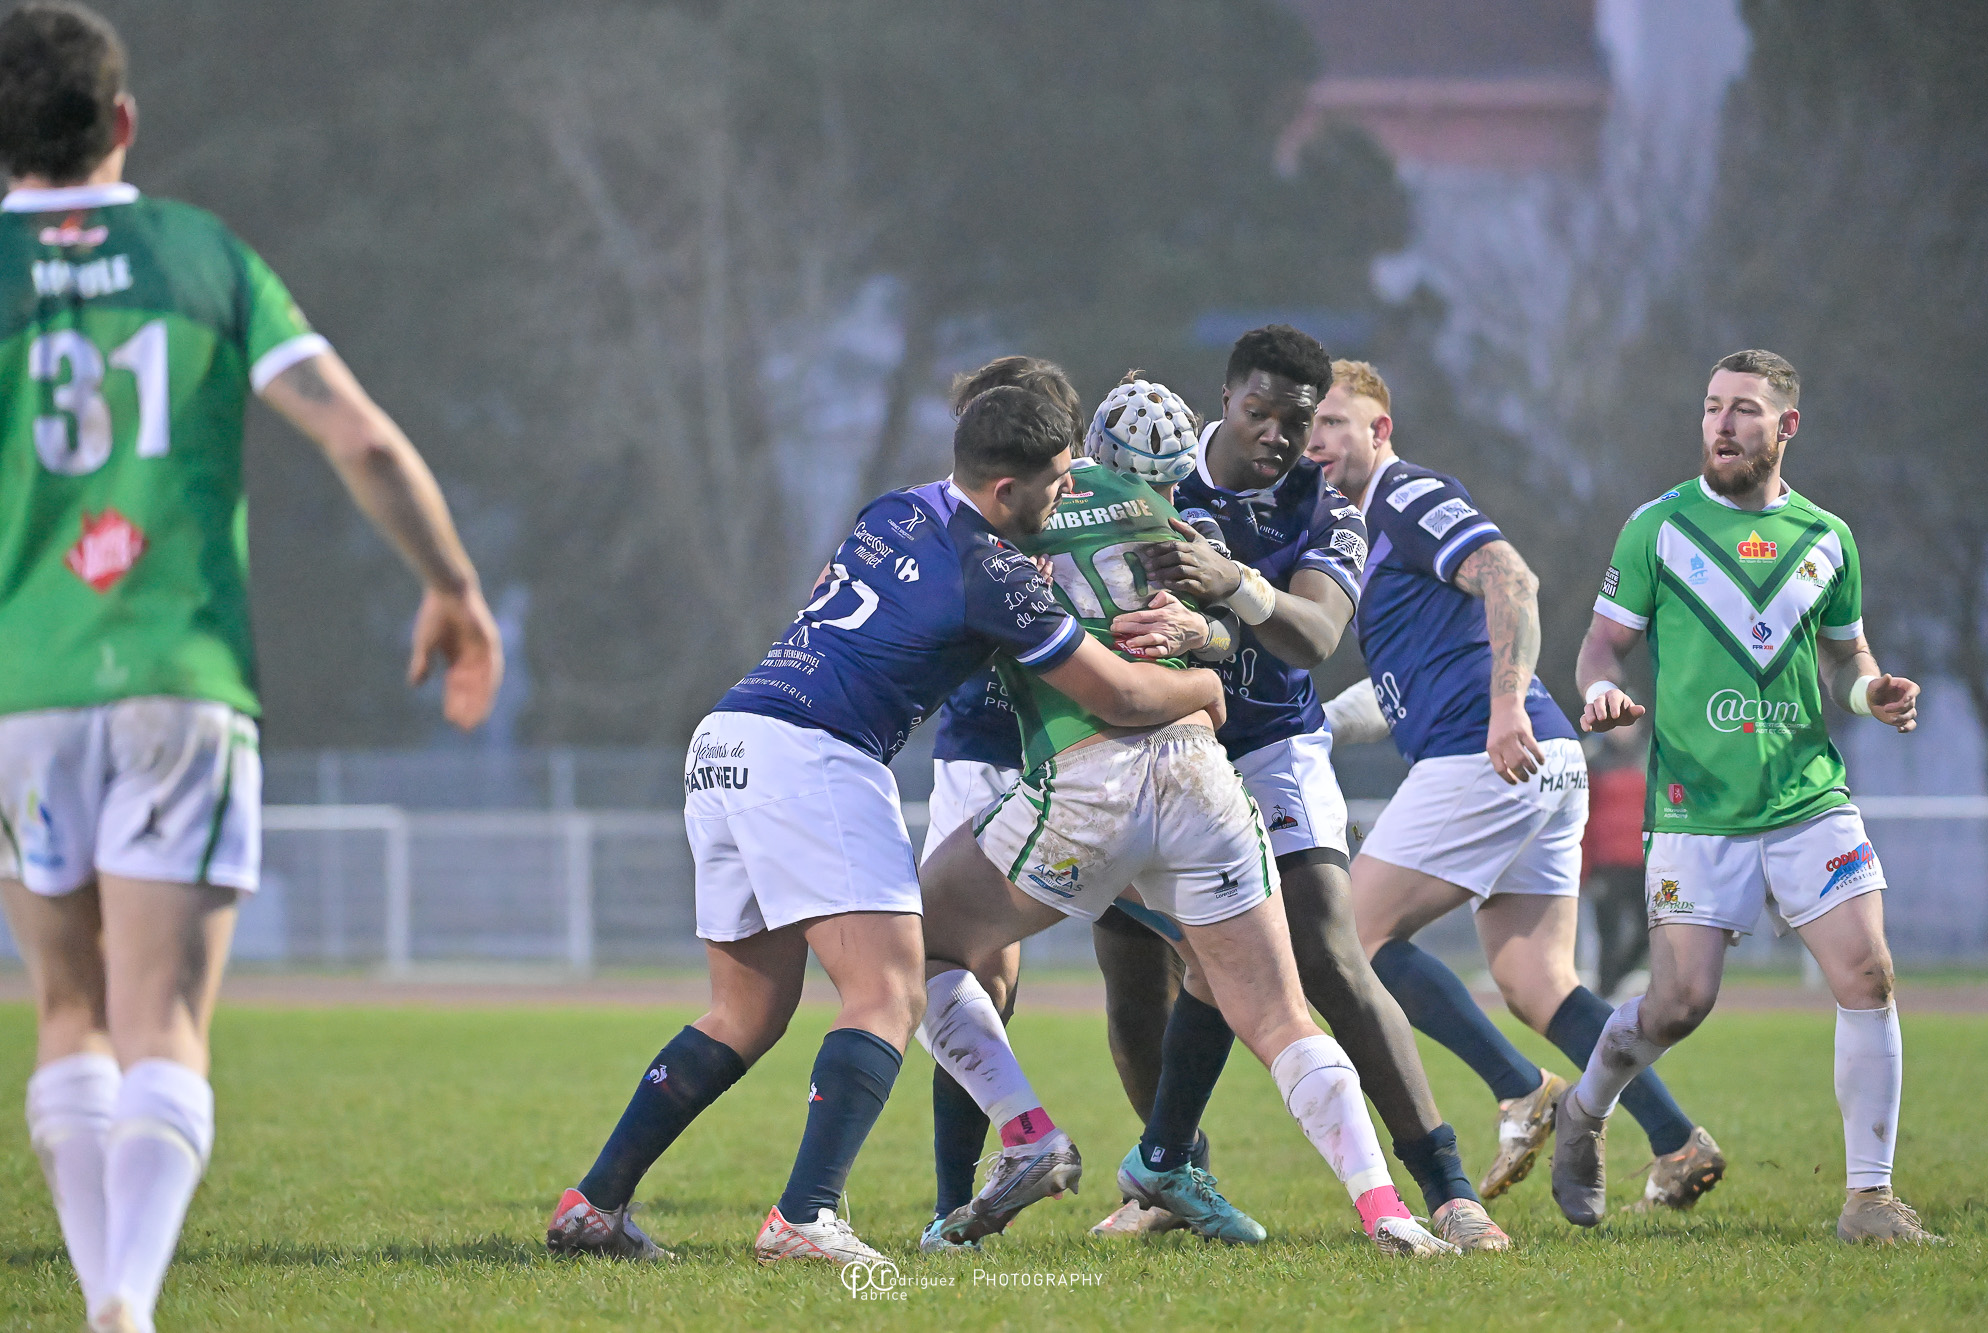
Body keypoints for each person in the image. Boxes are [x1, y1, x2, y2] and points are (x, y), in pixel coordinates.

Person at [0, 7, 504, 1331]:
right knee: (161, 1019)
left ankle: (106, 1290)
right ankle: (126, 1293)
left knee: (67, 1009)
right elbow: (363, 441)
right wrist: (453, 587)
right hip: (183, 679)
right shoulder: (197, 254)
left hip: (21, 692)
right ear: (122, 121)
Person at [545, 385, 1224, 1267]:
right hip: (814, 753)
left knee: (746, 1010)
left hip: (726, 739)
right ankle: (804, 1216)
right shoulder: (993, 572)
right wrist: (1205, 683)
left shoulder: (896, 507)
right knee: (891, 992)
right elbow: (1122, 695)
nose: (1069, 492)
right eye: (1058, 480)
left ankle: (594, 1205)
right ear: (1006, 489)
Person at [916, 380, 1458, 1258]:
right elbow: (1221, 635)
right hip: (1204, 778)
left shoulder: (995, 524)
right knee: (1279, 1012)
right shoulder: (1167, 517)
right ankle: (1387, 1210)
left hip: (1089, 782)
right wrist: (1204, 652)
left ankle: (1027, 1133)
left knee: (917, 942)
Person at [1304, 359, 1721, 1213]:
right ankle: (1678, 1140)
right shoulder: (1361, 531)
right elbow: (1403, 686)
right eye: (1309, 427)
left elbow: (1511, 577)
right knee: (1536, 980)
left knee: (1349, 941)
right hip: (1542, 759)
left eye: (1335, 423)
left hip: (1488, 752)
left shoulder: (1405, 495)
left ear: (1380, 431)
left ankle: (1521, 1089)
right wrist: (1317, 725)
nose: (1316, 442)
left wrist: (1503, 708)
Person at [1129, 328, 1506, 1250]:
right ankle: (1163, 1170)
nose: (1277, 435)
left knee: (1331, 953)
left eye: (1296, 422)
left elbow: (1316, 635)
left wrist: (1235, 584)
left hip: (1273, 747)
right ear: (1226, 399)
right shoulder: (1154, 481)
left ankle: (1449, 1189)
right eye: (1259, 412)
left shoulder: (1326, 505)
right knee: (1142, 970)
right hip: (1162, 741)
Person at [1550, 349, 1937, 1244]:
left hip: (1808, 797)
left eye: (1744, 409)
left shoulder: (1828, 537)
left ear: (1786, 426)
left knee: (1869, 973)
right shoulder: (1658, 528)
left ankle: (1870, 1199)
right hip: (1696, 807)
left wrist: (1869, 693)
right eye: (1712, 406)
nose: (1721, 424)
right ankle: (1584, 1109)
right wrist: (1601, 692)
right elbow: (1601, 646)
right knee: (1680, 1003)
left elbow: (1844, 656)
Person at [919, 363, 1226, 1248]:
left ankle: (1173, 1169)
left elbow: (1215, 625)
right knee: (981, 979)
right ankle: (956, 1202)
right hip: (990, 753)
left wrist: (1204, 634)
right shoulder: (962, 524)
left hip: (1100, 758)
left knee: (1200, 963)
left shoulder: (1108, 507)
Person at [1581, 723, 1651, 997]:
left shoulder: (1649, 757)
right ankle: (1604, 994)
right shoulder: (1593, 760)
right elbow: (1582, 817)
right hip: (1606, 864)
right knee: (1607, 935)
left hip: (1642, 862)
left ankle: (1611, 983)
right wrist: (1585, 869)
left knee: (1649, 930)